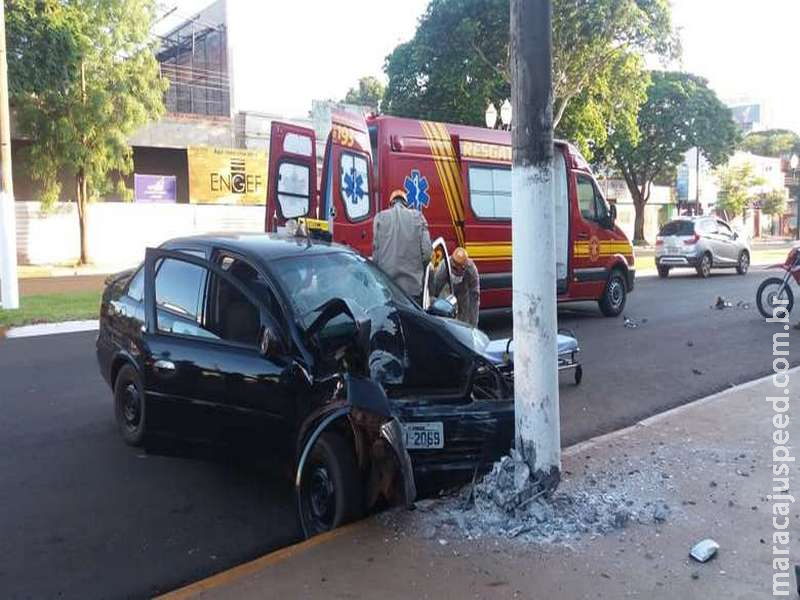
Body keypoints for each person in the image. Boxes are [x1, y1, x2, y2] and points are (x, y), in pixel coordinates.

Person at [372, 190, 432, 304]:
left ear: (390, 204)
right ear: (406, 203)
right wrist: (417, 269)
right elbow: (427, 254)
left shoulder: (379, 218)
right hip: (412, 289)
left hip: (387, 288)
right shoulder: (418, 217)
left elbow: (376, 256)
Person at [433, 247, 480, 327]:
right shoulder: (444, 267)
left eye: (460, 269)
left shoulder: (471, 270)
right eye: (455, 268)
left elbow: (474, 299)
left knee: (464, 314)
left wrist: (473, 325)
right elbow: (435, 290)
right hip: (448, 289)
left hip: (463, 290)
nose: (457, 271)